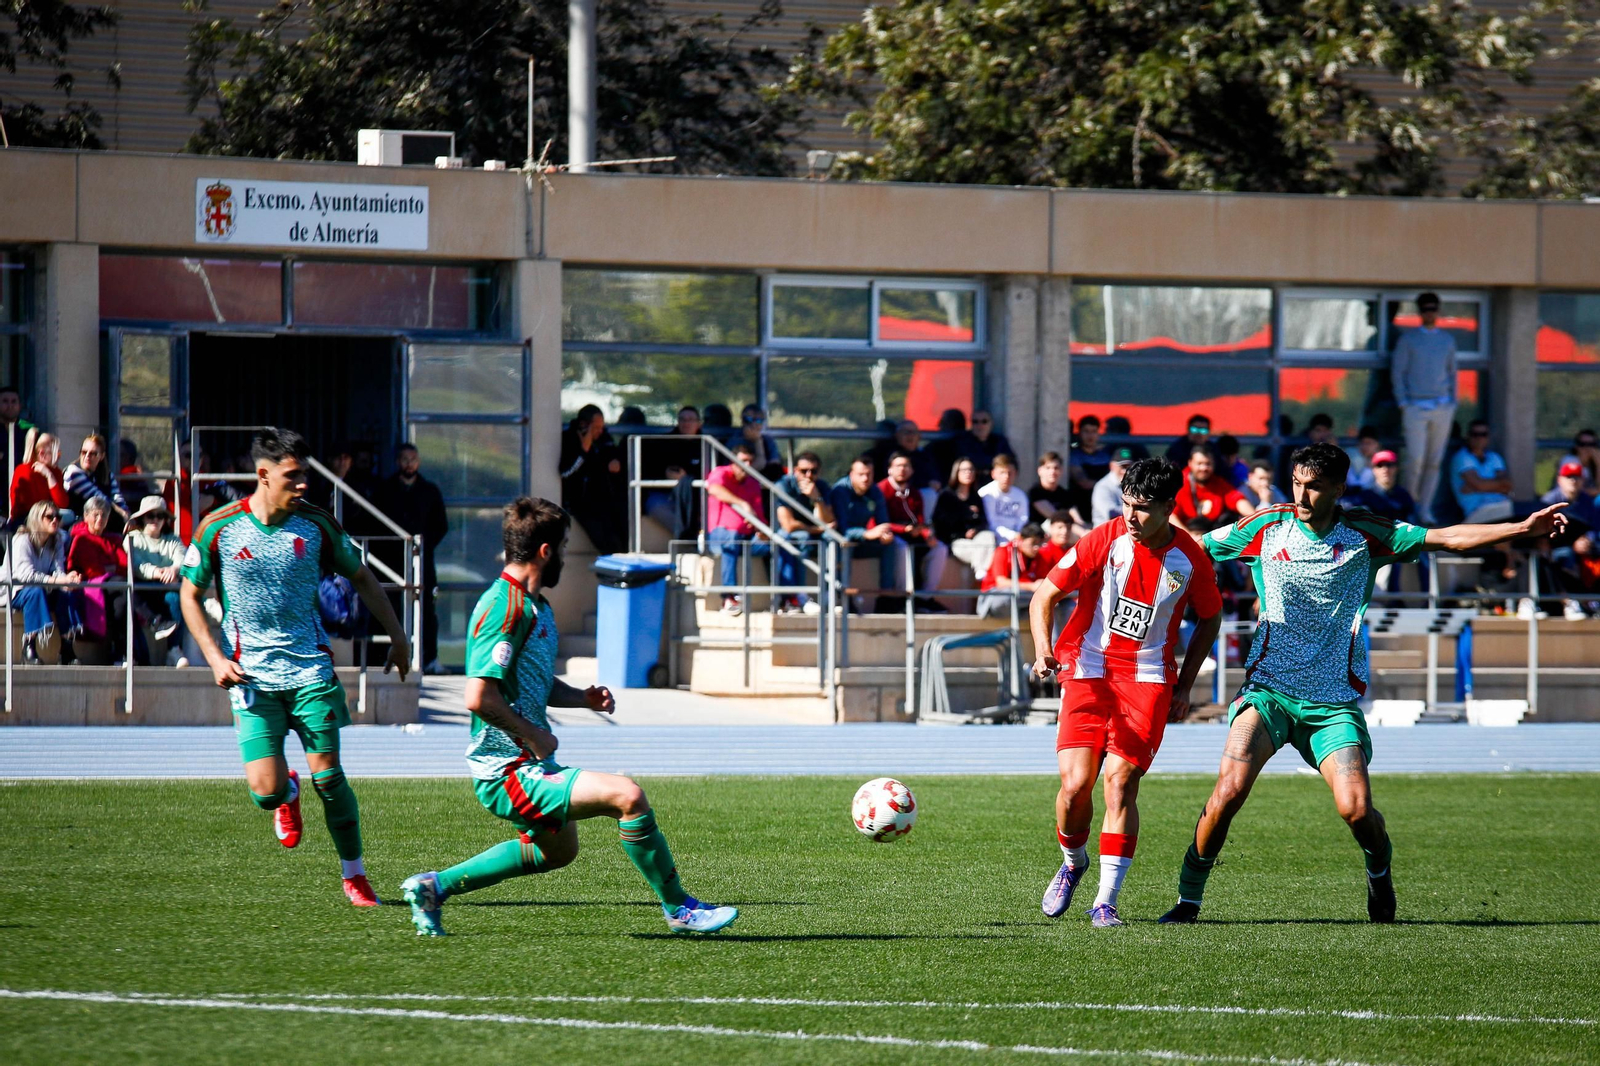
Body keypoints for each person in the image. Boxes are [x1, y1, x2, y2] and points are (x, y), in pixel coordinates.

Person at [1156, 442, 1570, 926]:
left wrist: (1522, 527)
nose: (1302, 495)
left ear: (1338, 488)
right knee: (1228, 792)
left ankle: (1379, 872)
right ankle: (1188, 900)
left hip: (1333, 702)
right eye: (1296, 483)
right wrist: (1127, 539)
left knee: (1356, 811)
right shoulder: (1265, 526)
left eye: (1313, 486)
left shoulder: (1367, 533)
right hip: (1267, 692)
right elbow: (1192, 545)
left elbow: (1449, 538)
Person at [399, 498, 737, 936]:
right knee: (628, 796)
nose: (566, 558)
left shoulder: (536, 606)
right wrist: (535, 735)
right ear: (545, 552)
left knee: (555, 852)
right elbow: (479, 695)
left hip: (528, 762)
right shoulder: (506, 607)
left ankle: (432, 887)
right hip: (505, 770)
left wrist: (581, 698)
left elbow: (532, 683)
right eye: (564, 547)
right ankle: (681, 909)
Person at [178, 427, 411, 908]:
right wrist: (216, 658)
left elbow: (364, 578)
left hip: (310, 672)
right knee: (264, 793)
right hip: (250, 675)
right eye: (293, 475)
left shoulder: (318, 525)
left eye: (305, 473)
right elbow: (189, 594)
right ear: (263, 475)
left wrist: (399, 635)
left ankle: (355, 875)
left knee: (330, 777)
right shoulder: (217, 527)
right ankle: (286, 792)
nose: (303, 483)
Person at [1030, 458, 1223, 927]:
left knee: (1119, 783)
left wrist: (1186, 683)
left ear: (1167, 507)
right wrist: (1042, 651)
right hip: (1088, 669)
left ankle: (1105, 902)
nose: (1131, 516)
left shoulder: (1191, 558)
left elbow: (1210, 617)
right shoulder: (1104, 538)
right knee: (1075, 787)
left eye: (1142, 508)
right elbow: (1044, 596)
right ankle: (1074, 864)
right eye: (1126, 504)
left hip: (1149, 679)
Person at [373, 443, 450, 673]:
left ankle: (429, 659)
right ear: (398, 462)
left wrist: (424, 547)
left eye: (413, 459)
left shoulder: (430, 491)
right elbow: (375, 524)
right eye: (405, 459)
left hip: (423, 562)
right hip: (392, 563)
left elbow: (441, 525)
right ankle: (389, 658)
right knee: (392, 609)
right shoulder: (385, 490)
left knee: (426, 610)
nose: (409, 464)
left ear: (418, 461)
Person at [1392, 292, 1458, 524]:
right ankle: (1410, 505)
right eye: (1426, 308)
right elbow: (1398, 371)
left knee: (1434, 461)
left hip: (1441, 406)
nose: (1430, 313)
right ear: (1420, 312)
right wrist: (1403, 402)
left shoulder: (1447, 340)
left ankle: (1425, 509)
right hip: (1415, 406)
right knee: (1415, 459)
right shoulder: (1408, 340)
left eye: (1433, 308)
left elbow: (1452, 373)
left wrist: (1452, 402)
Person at [0, 500, 85, 664]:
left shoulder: (57, 540)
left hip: (42, 586)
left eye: (57, 516)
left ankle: (66, 647)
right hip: (13, 589)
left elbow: (58, 569)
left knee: (66, 592)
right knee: (35, 591)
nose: (55, 520)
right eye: (49, 516)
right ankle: (29, 645)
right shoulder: (22, 540)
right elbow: (25, 575)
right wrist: (58, 580)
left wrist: (68, 579)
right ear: (37, 519)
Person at [705, 442, 768, 615]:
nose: (747, 465)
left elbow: (759, 515)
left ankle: (785, 598)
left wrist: (761, 530)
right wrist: (741, 503)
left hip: (746, 539)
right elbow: (714, 488)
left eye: (750, 461)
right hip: (718, 536)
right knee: (730, 538)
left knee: (776, 545)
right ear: (733, 460)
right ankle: (729, 596)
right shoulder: (721, 472)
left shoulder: (753, 482)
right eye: (743, 461)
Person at [877, 450, 944, 610]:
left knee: (940, 549)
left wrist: (927, 534)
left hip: (913, 533)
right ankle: (902, 597)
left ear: (912, 470)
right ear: (890, 469)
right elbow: (878, 521)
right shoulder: (881, 489)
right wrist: (903, 529)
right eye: (898, 465)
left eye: (906, 466)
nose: (902, 469)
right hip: (892, 534)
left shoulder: (914, 493)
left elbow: (920, 520)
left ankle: (925, 597)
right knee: (902, 548)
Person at [829, 456, 898, 609]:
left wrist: (885, 534)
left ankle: (885, 598)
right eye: (861, 474)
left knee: (891, 545)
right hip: (842, 539)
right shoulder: (840, 491)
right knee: (845, 545)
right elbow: (842, 528)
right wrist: (865, 534)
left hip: (862, 539)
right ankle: (843, 596)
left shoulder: (874, 491)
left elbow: (883, 521)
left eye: (869, 474)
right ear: (851, 474)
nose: (865, 478)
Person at [126, 494, 187, 658]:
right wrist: (158, 572)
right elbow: (137, 565)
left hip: (167, 587)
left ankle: (173, 649)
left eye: (160, 515)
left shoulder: (173, 539)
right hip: (143, 590)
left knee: (176, 598)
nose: (155, 520)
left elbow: (182, 558)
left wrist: (173, 569)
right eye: (150, 516)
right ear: (143, 518)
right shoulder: (133, 538)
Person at [772, 451, 833, 613]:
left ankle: (829, 594)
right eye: (804, 471)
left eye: (813, 471)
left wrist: (817, 498)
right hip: (781, 534)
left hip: (809, 533)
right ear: (795, 471)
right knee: (796, 538)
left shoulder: (821, 487)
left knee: (831, 539)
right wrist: (816, 529)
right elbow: (788, 525)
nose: (808, 475)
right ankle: (795, 597)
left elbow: (828, 521)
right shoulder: (784, 485)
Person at [559, 405, 625, 555]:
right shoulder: (568, 439)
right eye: (596, 428)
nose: (600, 431)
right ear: (584, 425)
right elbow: (566, 472)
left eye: (601, 427)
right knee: (606, 543)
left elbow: (612, 456)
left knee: (619, 539)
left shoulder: (604, 439)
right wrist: (583, 451)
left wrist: (615, 462)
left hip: (604, 500)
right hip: (581, 503)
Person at [65, 496, 130, 649]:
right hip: (91, 586)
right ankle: (152, 621)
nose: (100, 519)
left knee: (121, 602)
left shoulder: (114, 539)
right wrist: (110, 568)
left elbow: (124, 566)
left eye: (104, 515)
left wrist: (109, 569)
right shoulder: (81, 539)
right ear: (86, 516)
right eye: (96, 514)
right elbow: (92, 570)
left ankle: (121, 652)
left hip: (113, 585)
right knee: (123, 589)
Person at [1538, 461, 1600, 619]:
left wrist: (1587, 539)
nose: (1573, 481)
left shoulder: (1587, 501)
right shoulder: (1548, 501)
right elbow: (1542, 533)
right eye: (1569, 477)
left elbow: (1593, 527)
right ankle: (1571, 601)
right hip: (1555, 549)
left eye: (1577, 477)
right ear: (1560, 479)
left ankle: (1589, 602)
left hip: (1584, 550)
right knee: (1564, 555)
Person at [931, 456, 995, 578]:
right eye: (964, 470)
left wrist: (975, 530)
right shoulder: (946, 496)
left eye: (971, 470)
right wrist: (963, 528)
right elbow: (941, 524)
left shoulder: (975, 497)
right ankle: (983, 571)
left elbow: (983, 521)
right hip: (956, 542)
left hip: (976, 539)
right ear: (956, 472)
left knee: (988, 537)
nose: (968, 473)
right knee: (984, 552)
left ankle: (981, 571)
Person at [1172, 446, 1254, 534]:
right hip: (1186, 535)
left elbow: (1238, 500)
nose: (1203, 468)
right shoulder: (1179, 484)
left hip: (1212, 536)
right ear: (1190, 463)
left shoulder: (1219, 483)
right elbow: (1171, 516)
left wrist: (1255, 518)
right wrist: (1190, 537)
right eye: (1199, 464)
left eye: (1208, 464)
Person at [977, 522, 1051, 618]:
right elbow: (1001, 583)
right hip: (994, 599)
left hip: (1022, 602)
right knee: (1009, 597)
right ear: (1020, 539)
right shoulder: (1003, 551)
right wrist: (1032, 586)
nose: (1036, 548)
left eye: (1039, 543)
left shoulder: (1039, 557)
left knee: (1051, 605)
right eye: (1033, 543)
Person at [1449, 420, 1514, 524]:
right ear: (1468, 436)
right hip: (1476, 512)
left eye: (1483, 434)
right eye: (1475, 434)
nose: (1479, 438)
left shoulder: (1494, 457)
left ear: (1488, 437)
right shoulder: (1462, 457)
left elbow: (1508, 485)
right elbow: (1479, 484)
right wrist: (1497, 486)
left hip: (1502, 506)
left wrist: (1479, 486)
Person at [63, 433, 129, 526]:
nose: (87, 456)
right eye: (84, 452)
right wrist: (122, 513)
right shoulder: (73, 472)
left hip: (102, 522)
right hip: (78, 523)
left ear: (102, 456)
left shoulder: (107, 475)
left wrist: (127, 516)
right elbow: (99, 499)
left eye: (93, 453)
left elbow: (117, 497)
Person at [11, 431, 70, 525]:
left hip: (50, 518)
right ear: (42, 453)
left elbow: (62, 503)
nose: (59, 457)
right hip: (28, 520)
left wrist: (49, 476)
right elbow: (23, 506)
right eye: (56, 453)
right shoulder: (24, 470)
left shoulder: (56, 472)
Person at [0, 385, 37, 521]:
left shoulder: (29, 431)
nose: (10, 406)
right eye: (5, 401)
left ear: (20, 406)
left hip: (22, 498)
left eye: (13, 401)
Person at [1348, 451, 1415, 523]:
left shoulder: (1404, 495)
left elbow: (1411, 522)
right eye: (1379, 465)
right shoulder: (1364, 496)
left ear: (1396, 468)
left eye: (1389, 465)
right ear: (1373, 469)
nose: (1385, 469)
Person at [978, 454, 1029, 542]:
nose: (1006, 477)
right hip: (992, 539)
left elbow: (1023, 520)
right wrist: (1011, 535)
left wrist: (1019, 534)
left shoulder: (1020, 495)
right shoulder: (986, 493)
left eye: (1010, 473)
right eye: (1002, 472)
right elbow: (991, 523)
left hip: (1017, 539)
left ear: (1015, 474)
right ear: (993, 474)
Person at [1069, 416, 1112, 512]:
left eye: (1094, 431)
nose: (1090, 436)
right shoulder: (1074, 456)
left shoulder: (1105, 456)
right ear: (1079, 433)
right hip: (1082, 505)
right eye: (1086, 431)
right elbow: (1084, 483)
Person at [1091, 448, 1137, 528]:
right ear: (1112, 466)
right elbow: (1111, 514)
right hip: (1105, 533)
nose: (1125, 471)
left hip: (1126, 532)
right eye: (1122, 466)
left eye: (1128, 467)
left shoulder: (1134, 484)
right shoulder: (1103, 487)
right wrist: (1138, 510)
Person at [889, 420, 941, 491]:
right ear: (897, 435)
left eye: (913, 432)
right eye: (906, 432)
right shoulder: (892, 456)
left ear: (919, 436)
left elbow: (935, 476)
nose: (910, 435)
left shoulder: (925, 455)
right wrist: (926, 483)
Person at [965, 410, 1013, 484]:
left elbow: (1010, 463)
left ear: (991, 423)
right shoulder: (963, 442)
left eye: (984, 421)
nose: (979, 425)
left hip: (995, 486)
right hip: (971, 486)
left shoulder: (999, 442)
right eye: (975, 422)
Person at [738, 404, 784, 482]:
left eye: (759, 421)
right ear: (742, 421)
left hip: (763, 480)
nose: (754, 424)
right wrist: (757, 441)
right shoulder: (735, 439)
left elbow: (775, 466)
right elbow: (757, 465)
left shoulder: (767, 440)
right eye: (749, 419)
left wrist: (758, 441)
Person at [1029, 451, 1075, 524]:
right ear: (1040, 471)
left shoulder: (1064, 493)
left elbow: (1076, 518)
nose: (1052, 472)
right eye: (1048, 468)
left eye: (1056, 468)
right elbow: (1056, 519)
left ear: (1061, 471)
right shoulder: (1035, 492)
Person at [1556, 429, 1598, 494]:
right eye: (1583, 444)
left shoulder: (1595, 462)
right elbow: (1573, 488)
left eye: (1591, 445)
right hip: (1565, 497)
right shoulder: (1569, 461)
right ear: (1577, 446)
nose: (1587, 448)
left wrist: (1598, 463)